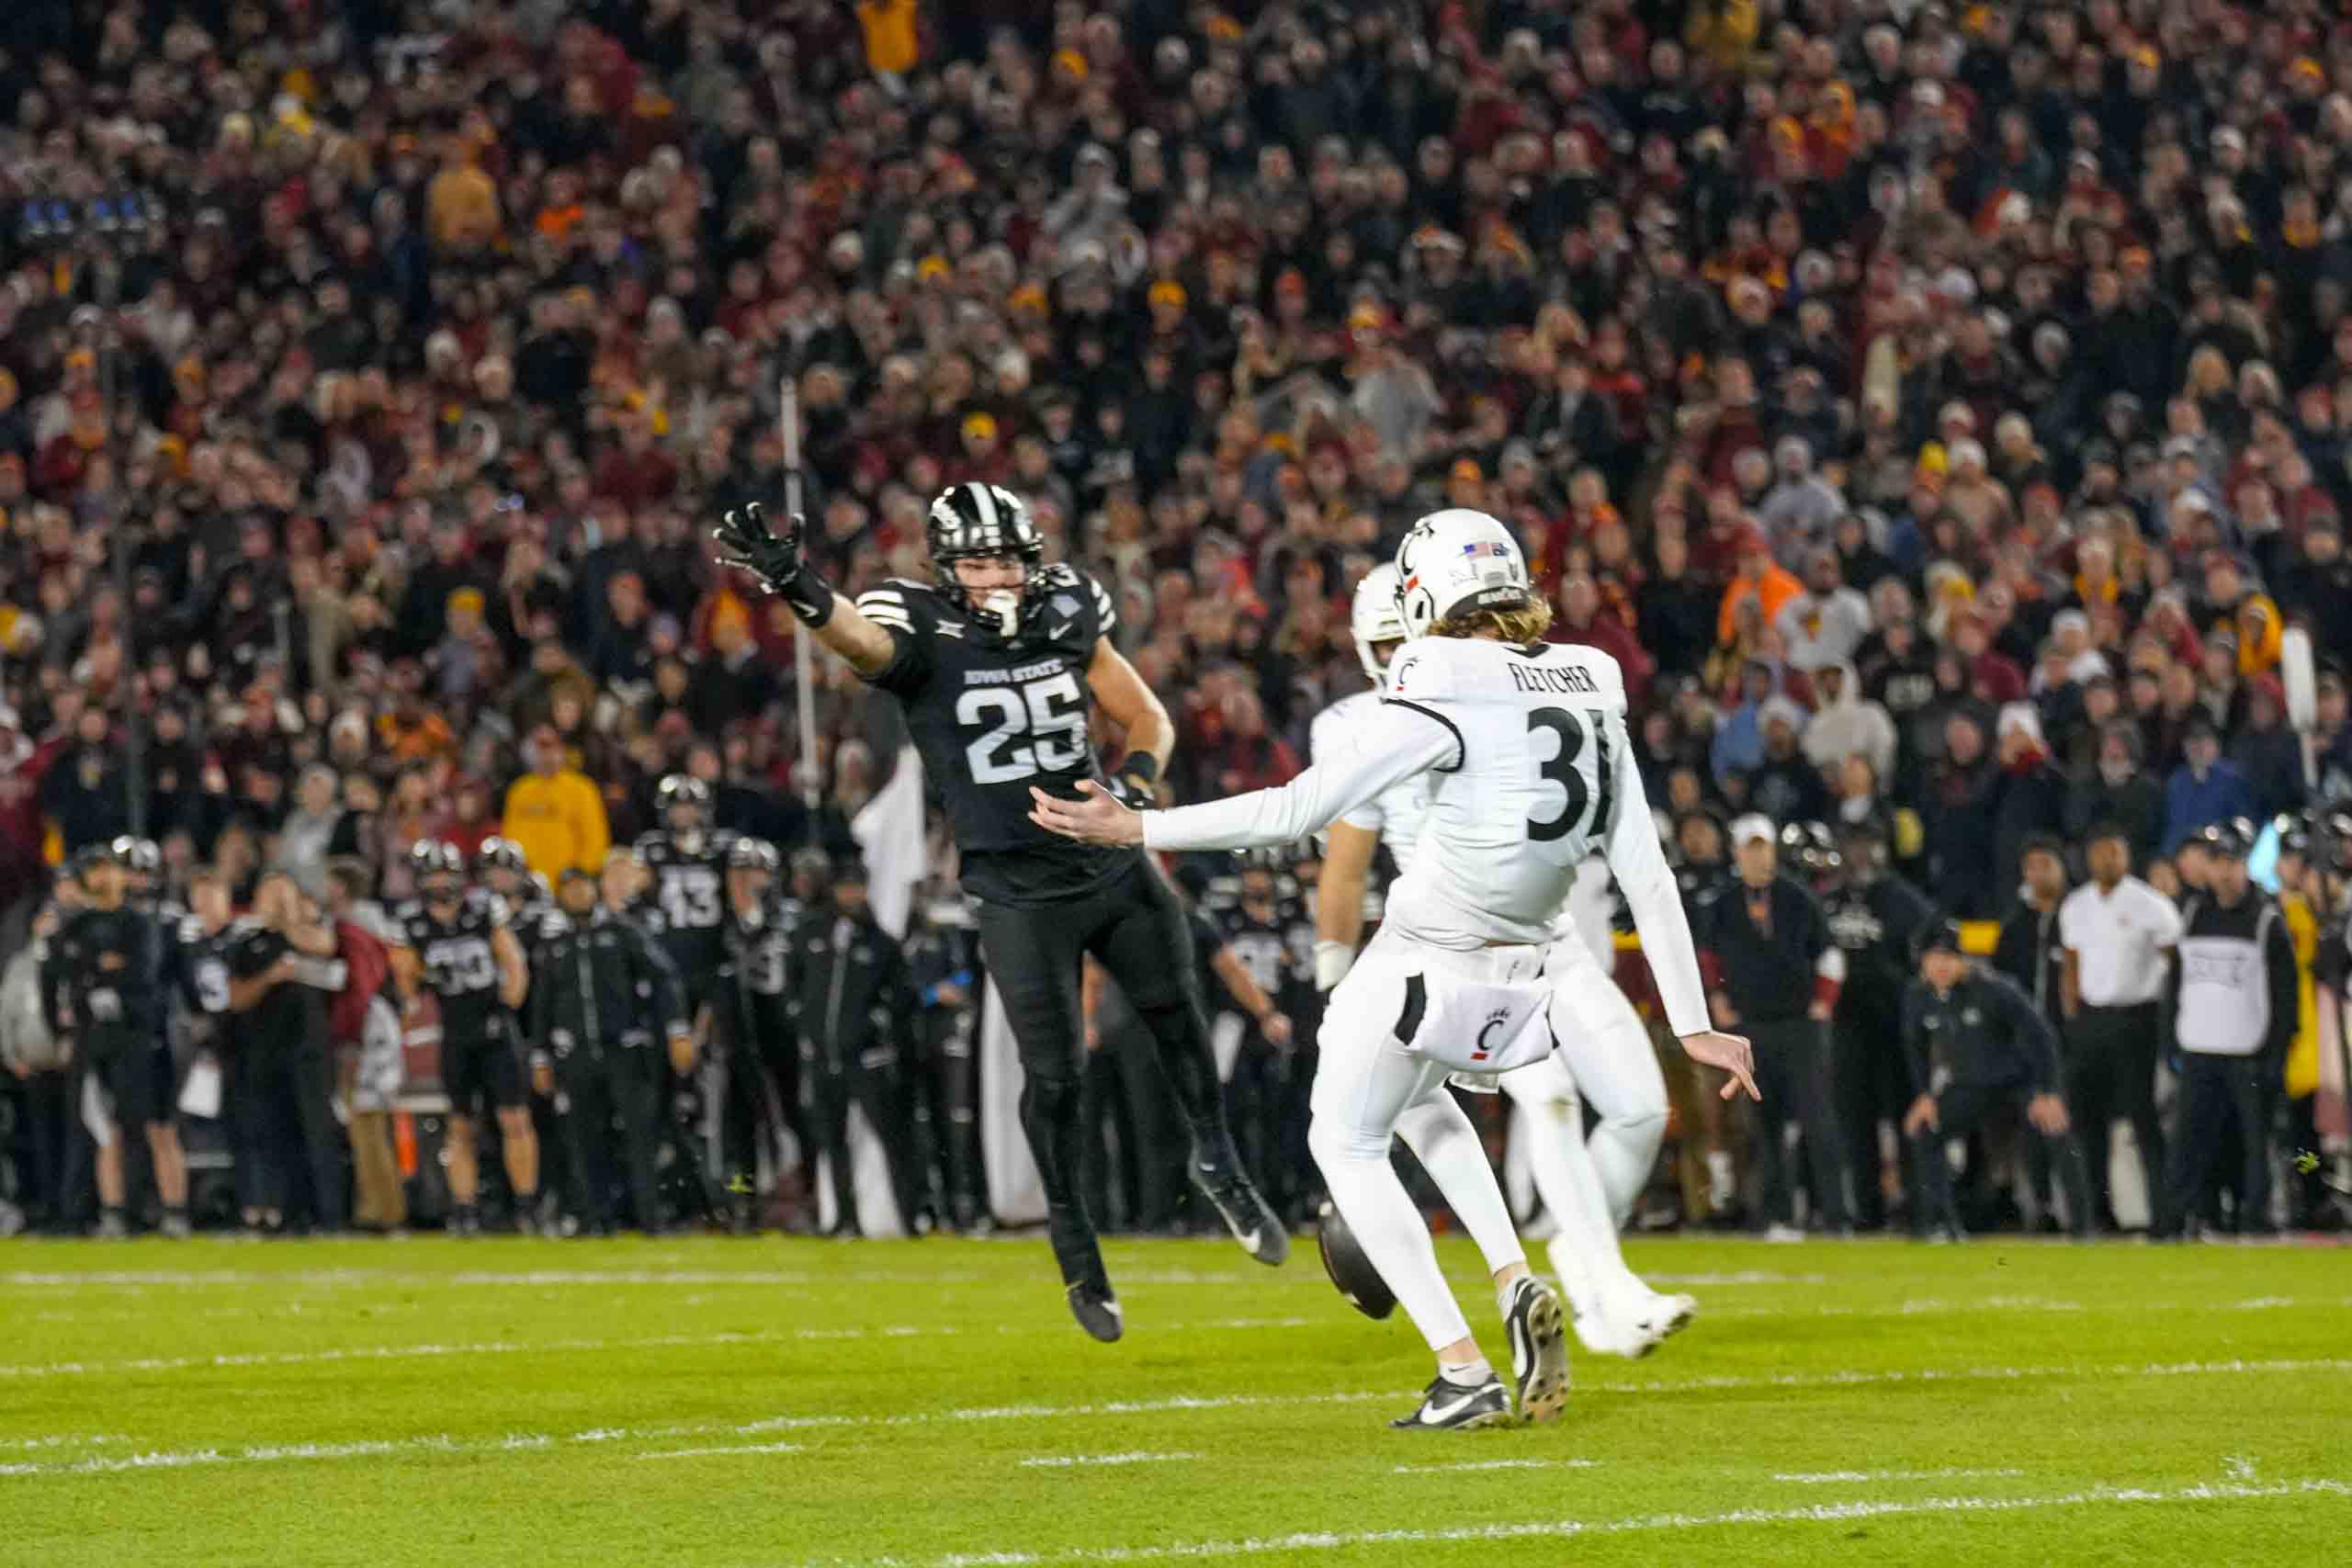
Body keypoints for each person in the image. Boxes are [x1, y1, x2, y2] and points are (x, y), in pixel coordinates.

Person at [1030, 509, 1754, 1431]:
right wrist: (1692, 1022)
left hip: (1428, 954)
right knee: (1412, 1103)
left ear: (1425, 594)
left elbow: (1300, 809)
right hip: (1526, 974)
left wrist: (1137, 825)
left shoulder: (1439, 677)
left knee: (1343, 1140)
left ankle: (1462, 1369)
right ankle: (1512, 1277)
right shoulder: (1593, 685)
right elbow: (1647, 877)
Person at [714, 485, 1283, 1341]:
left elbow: (1147, 717)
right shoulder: (922, 632)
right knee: (1055, 1076)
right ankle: (1074, 1238)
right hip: (1016, 890)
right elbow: (860, 639)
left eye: (1009, 558)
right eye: (978, 562)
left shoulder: (1065, 613)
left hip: (1109, 864)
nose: (998, 577)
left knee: (1180, 1013)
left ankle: (1219, 1159)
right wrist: (799, 585)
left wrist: (1131, 785)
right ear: (947, 570)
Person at [1312, 561, 1695, 1360]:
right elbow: (1345, 864)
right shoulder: (1362, 719)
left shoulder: (1505, 692)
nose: (1401, 651)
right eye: (1385, 640)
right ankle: (1598, 1285)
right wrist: (1332, 973)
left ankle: (1569, 1258)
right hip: (1446, 952)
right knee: (1544, 1098)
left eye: (1408, 633)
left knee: (1638, 1107)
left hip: (1546, 934)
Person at [1695, 815, 1854, 1238]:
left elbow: (1830, 956)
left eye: (1762, 846)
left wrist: (1823, 1004)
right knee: (1762, 1125)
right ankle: (1779, 1215)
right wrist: (1719, 1001)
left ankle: (1836, 1215)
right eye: (1749, 847)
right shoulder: (1723, 903)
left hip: (1799, 1023)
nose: (1757, 854)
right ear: (1736, 852)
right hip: (1751, 1027)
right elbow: (1708, 958)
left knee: (1818, 1119)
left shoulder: (1799, 898)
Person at [1900, 921, 2094, 1240]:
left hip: (2015, 1083)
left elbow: (2041, 1036)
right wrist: (1924, 1095)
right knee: (1924, 1129)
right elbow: (1915, 1046)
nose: (1942, 964)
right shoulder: (1918, 996)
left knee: (2058, 1129)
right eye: (1933, 957)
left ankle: (2083, 1227)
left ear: (1963, 959)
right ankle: (1941, 1225)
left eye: (1950, 956)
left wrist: (2048, 1091)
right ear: (1921, 961)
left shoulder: (1993, 989)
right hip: (1968, 1086)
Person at [527, 864, 691, 1235]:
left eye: (582, 887)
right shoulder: (556, 942)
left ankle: (650, 1217)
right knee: (585, 1137)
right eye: (569, 889)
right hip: (577, 1052)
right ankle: (595, 1218)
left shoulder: (621, 930)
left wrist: (675, 1029)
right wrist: (540, 1054)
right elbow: (543, 1003)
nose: (577, 895)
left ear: (594, 889)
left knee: (639, 1135)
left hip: (624, 1048)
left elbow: (663, 976)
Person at [40, 840, 188, 1237]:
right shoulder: (76, 924)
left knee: (140, 1123)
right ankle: (113, 1211)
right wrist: (95, 969)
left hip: (137, 1036)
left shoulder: (138, 923)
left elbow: (143, 974)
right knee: (103, 1128)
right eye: (96, 869)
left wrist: (91, 971)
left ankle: (149, 1209)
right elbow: (57, 968)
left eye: (109, 868)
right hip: (93, 1037)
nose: (104, 876)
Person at [2159, 819, 2298, 1238]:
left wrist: (2276, 1052)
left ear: (2245, 866)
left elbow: (2285, 994)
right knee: (2188, 1139)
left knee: (2258, 1142)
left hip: (2247, 1050)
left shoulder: (2267, 920)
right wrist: (2170, 1038)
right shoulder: (2193, 913)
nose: (2223, 871)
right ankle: (2179, 1217)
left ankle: (2257, 1216)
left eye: (2232, 862)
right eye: (2217, 862)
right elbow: (2176, 981)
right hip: (2200, 1047)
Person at [391, 840, 533, 1234]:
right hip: (454, 1031)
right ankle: (466, 1209)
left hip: (494, 1026)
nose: (440, 882)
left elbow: (513, 962)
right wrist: (414, 978)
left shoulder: (483, 910)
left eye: (446, 874)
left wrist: (509, 1001)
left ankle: (525, 1205)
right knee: (458, 1125)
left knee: (515, 1118)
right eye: (433, 875)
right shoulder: (412, 923)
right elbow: (406, 986)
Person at [2059, 820, 2182, 1232]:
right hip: (2092, 1020)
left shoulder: (2151, 904)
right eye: (2100, 852)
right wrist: (2073, 1015)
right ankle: (2098, 1213)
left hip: (2136, 1018)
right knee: (2089, 1121)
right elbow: (2071, 963)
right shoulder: (2076, 905)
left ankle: (2165, 1216)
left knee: (2142, 1117)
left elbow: (2174, 961)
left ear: (2126, 857)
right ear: (2089, 858)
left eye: (2115, 852)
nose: (2107, 859)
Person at [1821, 816, 1936, 1232]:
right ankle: (1867, 1211)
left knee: (1907, 1118)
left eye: (1866, 844)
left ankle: (1917, 1208)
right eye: (1851, 845)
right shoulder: (1827, 900)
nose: (1859, 853)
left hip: (1894, 1025)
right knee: (1854, 1118)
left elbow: (1928, 957)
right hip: (1847, 1026)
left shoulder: (1903, 899)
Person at [224, 871, 348, 1234]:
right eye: (271, 893)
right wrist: (270, 977)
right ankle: (288, 1214)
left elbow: (328, 948)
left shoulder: (311, 933)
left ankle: (330, 1216)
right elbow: (235, 997)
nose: (277, 901)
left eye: (284, 893)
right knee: (276, 1135)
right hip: (265, 1051)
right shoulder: (248, 942)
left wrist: (291, 921)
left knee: (319, 1133)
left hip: (309, 1051)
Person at [716, 837, 798, 1231]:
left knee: (794, 1116)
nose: (746, 880)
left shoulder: (788, 918)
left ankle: (804, 1197)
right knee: (738, 1126)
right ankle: (743, 1200)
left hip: (783, 1032)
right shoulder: (715, 923)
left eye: (754, 871)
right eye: (738, 871)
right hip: (734, 1036)